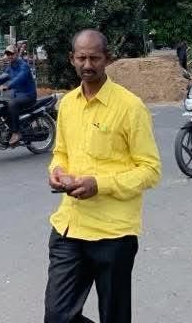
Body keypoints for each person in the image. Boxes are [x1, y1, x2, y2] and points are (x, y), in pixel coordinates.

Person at [45, 30, 161, 323]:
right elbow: (61, 152)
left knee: (114, 316)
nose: (87, 64)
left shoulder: (129, 107)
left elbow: (150, 170)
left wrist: (100, 184)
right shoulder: (68, 103)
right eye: (81, 58)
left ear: (107, 59)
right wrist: (56, 172)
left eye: (94, 58)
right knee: (58, 316)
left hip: (114, 233)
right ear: (72, 59)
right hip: (69, 228)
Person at [0, 46, 37, 146]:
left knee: (12, 104)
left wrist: (7, 86)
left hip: (28, 95)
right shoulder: (10, 67)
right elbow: (1, 78)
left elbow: (19, 79)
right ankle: (6, 130)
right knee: (1, 105)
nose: (9, 56)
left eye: (11, 54)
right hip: (17, 96)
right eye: (8, 54)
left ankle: (16, 133)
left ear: (16, 54)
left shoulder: (23, 66)